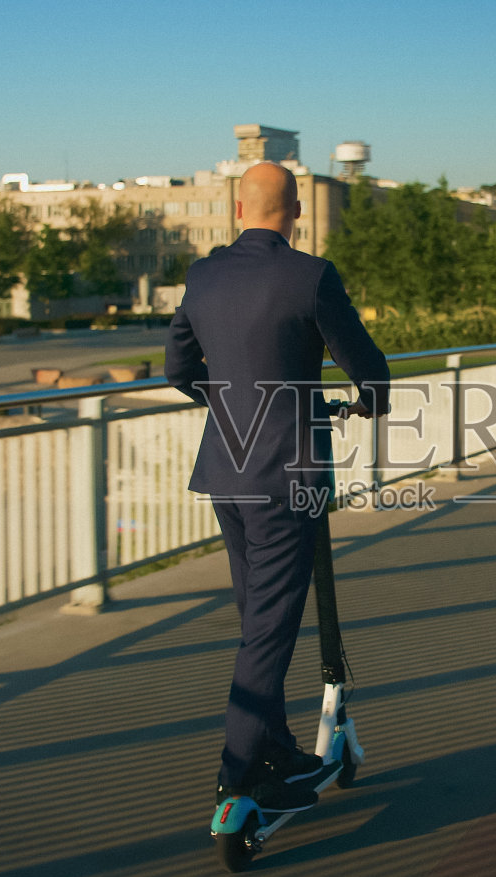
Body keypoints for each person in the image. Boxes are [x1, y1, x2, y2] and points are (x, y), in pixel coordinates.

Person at [165, 162, 389, 813]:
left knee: (257, 622)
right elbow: (366, 367)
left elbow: (179, 365)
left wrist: (231, 401)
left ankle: (278, 747)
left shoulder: (203, 276)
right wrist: (367, 399)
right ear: (296, 212)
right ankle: (239, 774)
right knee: (267, 629)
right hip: (286, 479)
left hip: (225, 478)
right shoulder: (310, 275)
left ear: (238, 210)